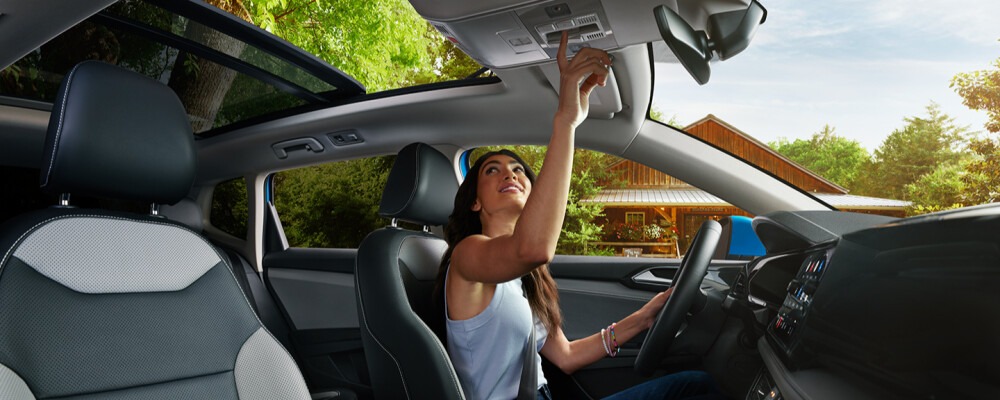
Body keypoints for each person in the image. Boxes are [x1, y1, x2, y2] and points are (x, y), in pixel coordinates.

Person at [433, 32, 726, 400]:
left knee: (693, 385)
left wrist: (645, 317)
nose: (511, 173)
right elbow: (533, 247)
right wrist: (566, 121)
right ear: (474, 202)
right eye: (492, 170)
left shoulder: (524, 281)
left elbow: (566, 356)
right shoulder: (467, 255)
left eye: (519, 169)